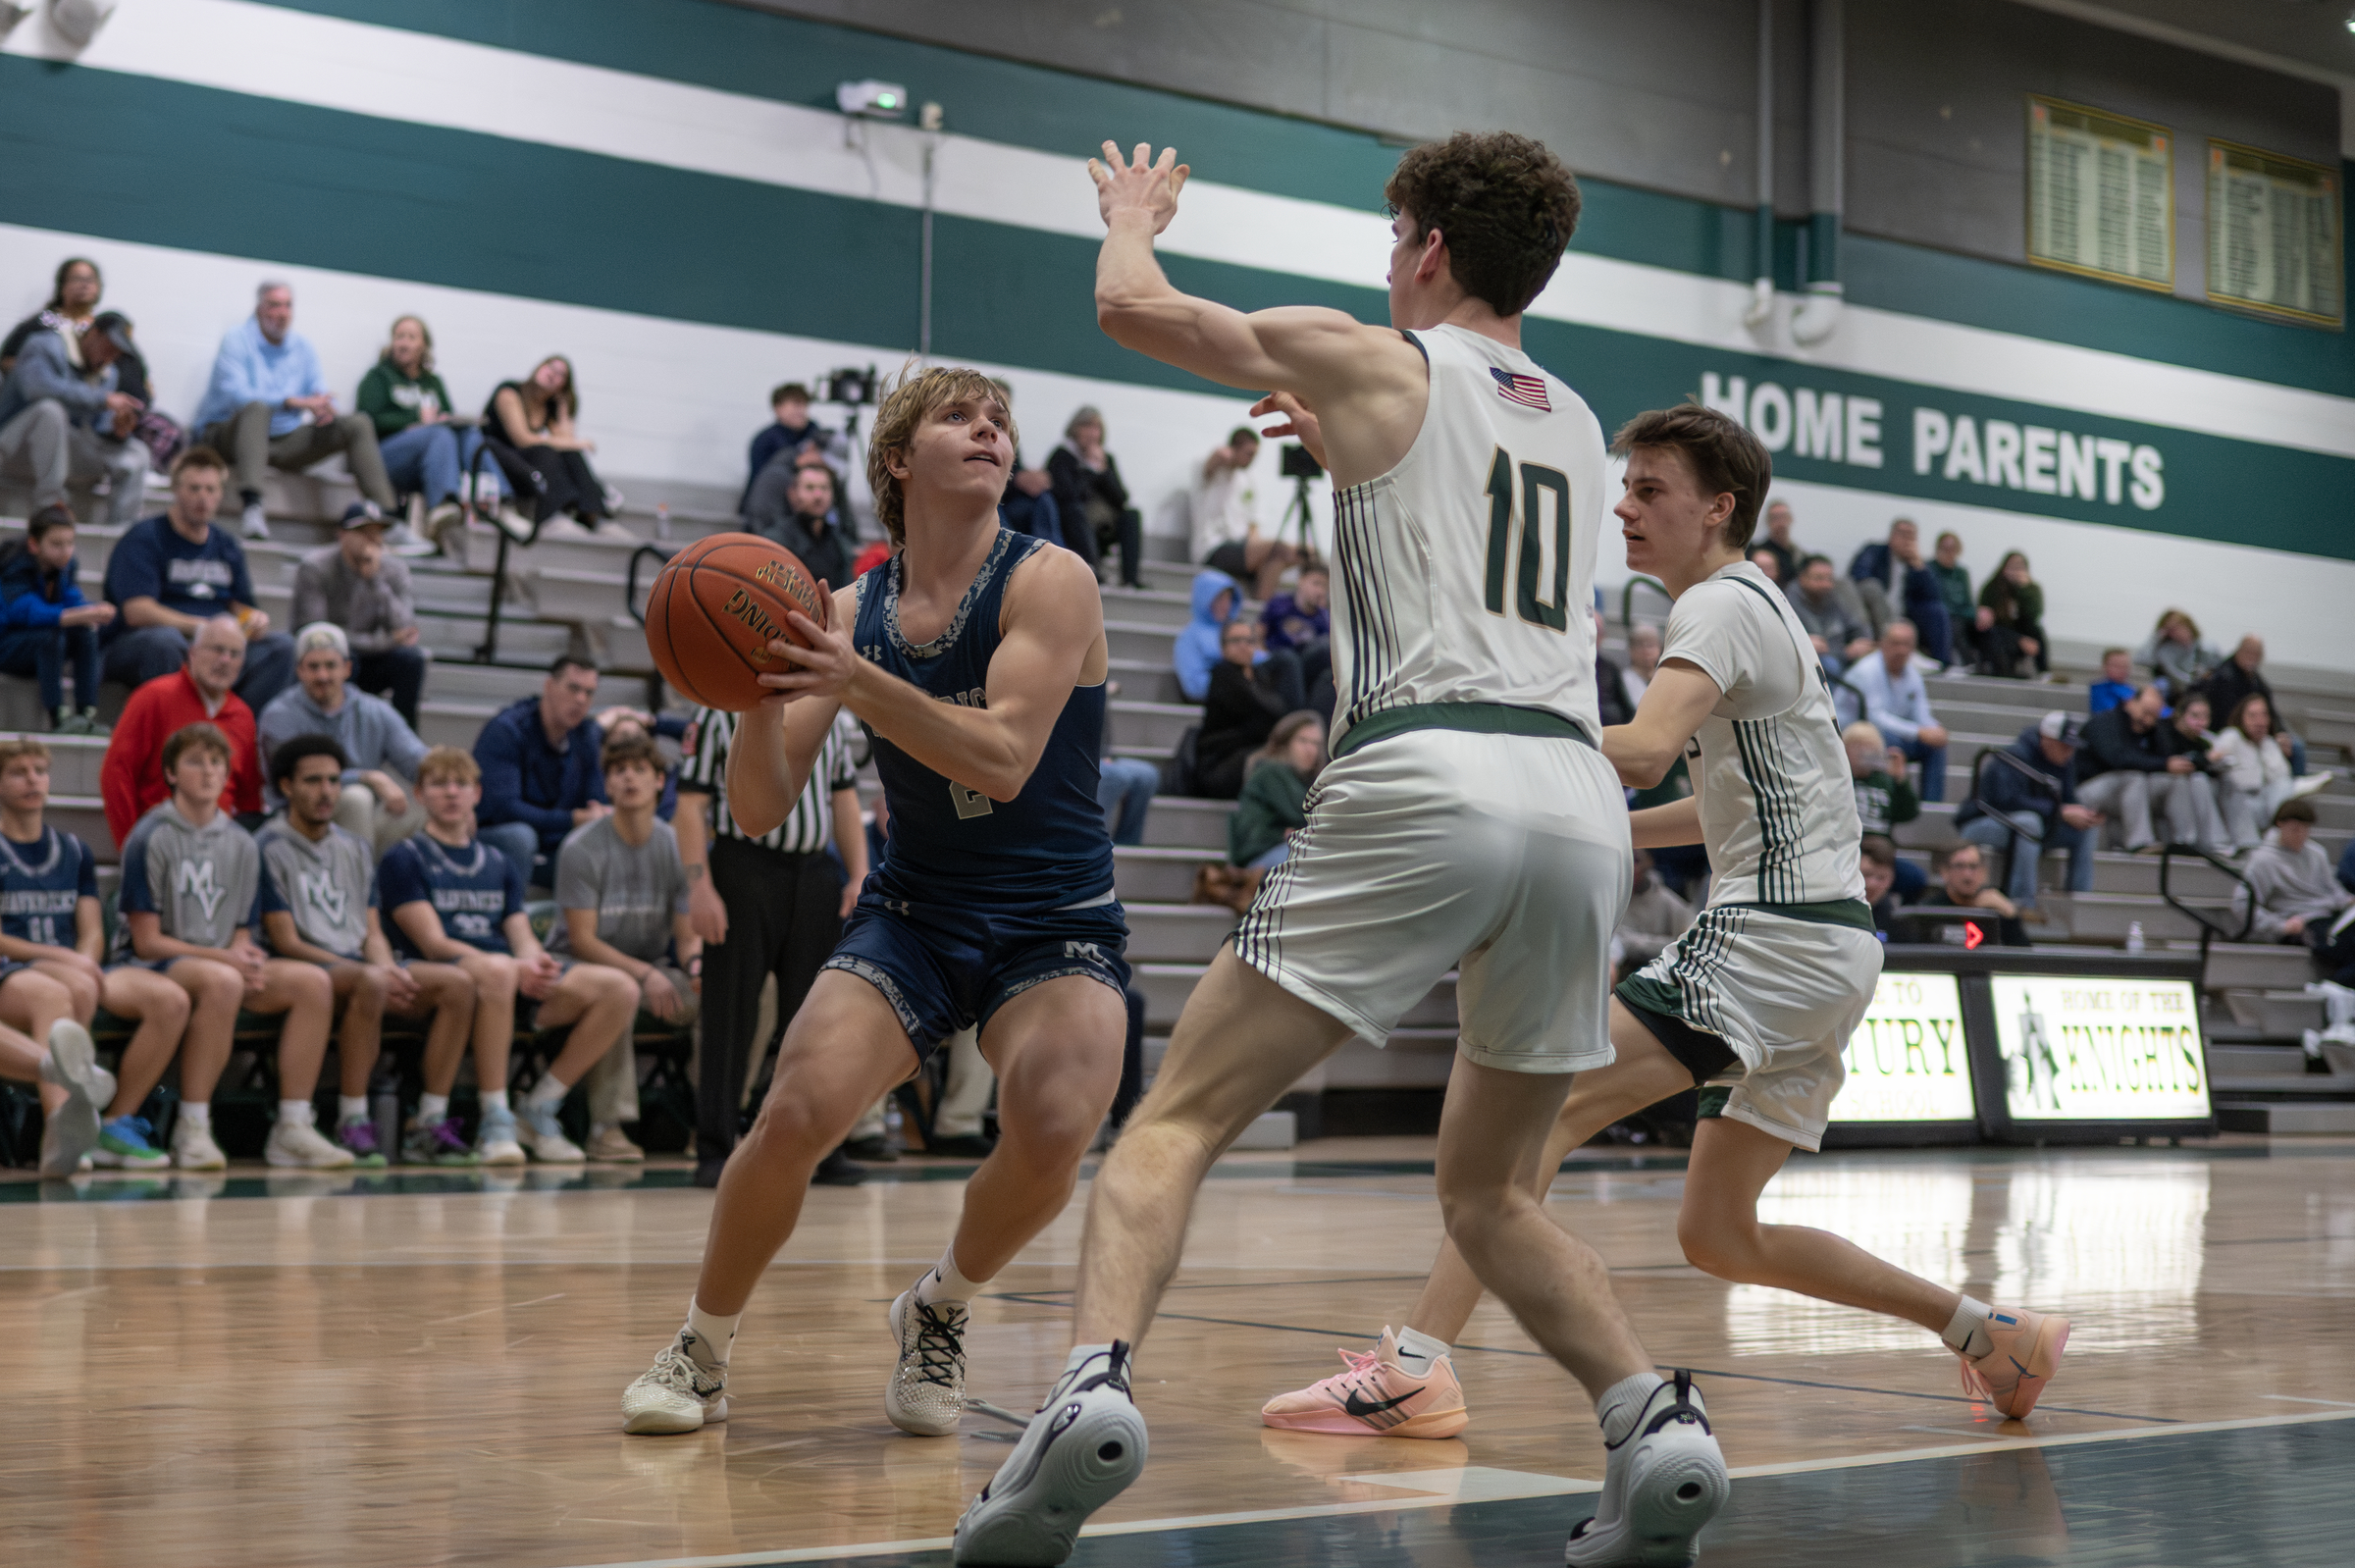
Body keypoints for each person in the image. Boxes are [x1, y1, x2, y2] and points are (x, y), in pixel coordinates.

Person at [959, 135, 1732, 1568]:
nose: (1388, 262)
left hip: (1425, 771)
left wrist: (1134, 221)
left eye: (1395, 238)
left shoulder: (1375, 353)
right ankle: (1649, 1418)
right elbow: (1455, 515)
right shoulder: (1577, 420)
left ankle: (1083, 1389)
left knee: (1174, 1123)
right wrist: (1347, 453)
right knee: (1493, 1191)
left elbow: (1136, 309)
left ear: (1430, 248)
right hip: (1575, 802)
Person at [1259, 396, 2067, 1488]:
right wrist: (1612, 821)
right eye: (1625, 487)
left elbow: (1639, 750)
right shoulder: (1755, 610)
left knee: (1520, 1129)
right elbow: (1711, 802)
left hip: (1772, 936)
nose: (1627, 508)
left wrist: (1499, 720)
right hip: (1829, 949)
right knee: (1721, 1234)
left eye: (1650, 490)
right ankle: (1991, 1330)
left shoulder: (1721, 607)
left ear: (1718, 507)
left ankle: (1413, 1370)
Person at [619, 363, 1131, 1474]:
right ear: (899, 459)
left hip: (1055, 917)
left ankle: (939, 1303)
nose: (990, 429)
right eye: (959, 416)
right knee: (796, 1105)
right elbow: (758, 805)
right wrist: (756, 695)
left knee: (1053, 1128)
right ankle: (702, 1347)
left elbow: (1000, 759)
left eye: (1000, 419)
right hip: (918, 907)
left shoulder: (1052, 579)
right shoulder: (842, 609)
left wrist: (851, 679)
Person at [114, 722, 347, 1169]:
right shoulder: (150, 835)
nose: (207, 772)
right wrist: (228, 959)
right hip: (153, 964)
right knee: (223, 980)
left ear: (227, 775)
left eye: (216, 763)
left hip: (218, 961)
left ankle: (293, 1127)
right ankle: (194, 1128)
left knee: (312, 982)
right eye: (194, 762)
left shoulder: (243, 842)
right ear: (170, 774)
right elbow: (146, 942)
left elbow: (242, 927)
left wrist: (249, 956)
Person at [379, 746, 612, 1165]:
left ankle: (539, 1106)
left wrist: (535, 961)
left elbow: (519, 932)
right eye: (439, 784)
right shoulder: (404, 857)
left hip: (502, 976)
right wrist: (511, 964)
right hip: (431, 975)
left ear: (477, 794)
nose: (451, 793)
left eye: (461, 784)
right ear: (419, 794)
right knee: (499, 971)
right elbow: (434, 942)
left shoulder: (499, 862)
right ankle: (494, 1117)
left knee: (616, 989)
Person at [256, 735, 477, 1167]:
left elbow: (371, 931)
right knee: (373, 981)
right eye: (313, 781)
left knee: (458, 984)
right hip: (300, 967)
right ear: (286, 787)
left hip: (359, 968)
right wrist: (367, 972)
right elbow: (285, 940)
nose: (326, 792)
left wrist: (388, 968)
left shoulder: (355, 847)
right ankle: (353, 1120)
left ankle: (429, 1124)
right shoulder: (267, 845)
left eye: (334, 782)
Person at [676, 704, 866, 1187]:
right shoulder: (720, 709)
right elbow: (691, 803)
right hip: (742, 869)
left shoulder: (834, 713)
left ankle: (822, 1147)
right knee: (730, 1013)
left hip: (814, 873)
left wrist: (859, 874)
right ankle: (715, 1147)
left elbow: (843, 797)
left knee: (817, 1017)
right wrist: (699, 886)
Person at [0, 738, 191, 1171]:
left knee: (170, 1000)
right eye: (18, 772)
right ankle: (61, 1127)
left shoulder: (73, 849)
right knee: (60, 992)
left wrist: (83, 958)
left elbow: (90, 931)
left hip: (74, 967)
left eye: (39, 770)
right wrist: (66, 960)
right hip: (18, 967)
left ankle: (112, 1121)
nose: (33, 779)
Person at [549, 731, 704, 1165]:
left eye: (639, 770)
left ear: (660, 781)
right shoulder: (582, 848)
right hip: (577, 973)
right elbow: (581, 940)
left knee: (723, 991)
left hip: (650, 973)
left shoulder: (674, 844)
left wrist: (694, 965)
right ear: (607, 784)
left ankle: (711, 1121)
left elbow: (686, 934)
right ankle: (608, 1128)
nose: (629, 779)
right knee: (619, 989)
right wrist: (645, 973)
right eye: (618, 771)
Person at [191, 281, 396, 542]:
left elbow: (317, 388)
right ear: (259, 309)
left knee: (357, 423)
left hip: (281, 443)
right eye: (274, 305)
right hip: (226, 436)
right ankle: (253, 506)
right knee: (256, 408)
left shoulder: (303, 347)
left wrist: (324, 408)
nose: (282, 313)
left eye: (287, 306)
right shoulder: (236, 339)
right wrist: (291, 401)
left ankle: (387, 515)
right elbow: (238, 396)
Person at [100, 445, 296, 711]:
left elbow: (237, 604)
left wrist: (252, 619)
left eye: (210, 489)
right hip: (148, 642)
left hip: (212, 645)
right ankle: (180, 734)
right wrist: (204, 629)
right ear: (176, 490)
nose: (202, 498)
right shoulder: (144, 538)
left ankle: (235, 728)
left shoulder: (226, 545)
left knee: (283, 647)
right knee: (165, 642)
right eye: (194, 489)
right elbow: (137, 611)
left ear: (220, 494)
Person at [256, 622, 429, 855]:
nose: (323, 675)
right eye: (313, 666)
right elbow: (295, 781)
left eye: (330, 665)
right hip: (298, 819)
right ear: (300, 671)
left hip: (367, 819)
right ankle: (358, 887)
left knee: (437, 803)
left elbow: (417, 760)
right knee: (356, 799)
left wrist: (451, 781)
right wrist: (367, 778)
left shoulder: (373, 710)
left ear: (347, 668)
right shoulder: (279, 715)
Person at [99, 615, 264, 847]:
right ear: (192, 652)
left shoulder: (243, 715)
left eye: (234, 654)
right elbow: (117, 774)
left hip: (219, 851)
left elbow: (249, 799)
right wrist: (132, 845)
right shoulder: (153, 697)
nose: (225, 660)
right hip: (161, 846)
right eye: (217, 649)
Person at [0, 311, 151, 526]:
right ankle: (50, 507)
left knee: (137, 454)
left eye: (115, 354)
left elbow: (94, 432)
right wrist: (102, 398)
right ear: (93, 333)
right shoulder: (44, 345)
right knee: (50, 411)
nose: (109, 358)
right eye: (108, 348)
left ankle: (123, 534)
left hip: (63, 455)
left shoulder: (108, 375)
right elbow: (36, 388)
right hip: (13, 448)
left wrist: (115, 433)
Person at [289, 499, 431, 727]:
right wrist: (384, 641)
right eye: (364, 532)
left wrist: (375, 581)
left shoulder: (393, 570)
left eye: (378, 533)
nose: (373, 540)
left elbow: (405, 628)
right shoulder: (315, 567)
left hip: (372, 659)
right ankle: (336, 730)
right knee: (344, 657)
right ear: (342, 535)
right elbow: (316, 635)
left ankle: (405, 736)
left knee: (411, 660)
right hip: (331, 659)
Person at [354, 315, 486, 555]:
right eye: (399, 336)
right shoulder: (378, 377)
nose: (403, 343)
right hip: (384, 457)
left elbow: (446, 416)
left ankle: (497, 501)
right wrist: (413, 422)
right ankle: (442, 503)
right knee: (437, 434)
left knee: (468, 434)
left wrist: (445, 421)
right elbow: (366, 420)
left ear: (424, 345)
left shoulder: (433, 382)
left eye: (411, 337)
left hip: (425, 460)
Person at [473, 655, 609, 886]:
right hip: (495, 838)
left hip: (555, 840)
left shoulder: (585, 735)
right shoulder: (507, 730)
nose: (580, 699)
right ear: (549, 686)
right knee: (521, 837)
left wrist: (597, 813)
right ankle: (512, 917)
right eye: (573, 688)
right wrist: (572, 819)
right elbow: (505, 809)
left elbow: (595, 800)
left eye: (589, 693)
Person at [1955, 712, 2100, 913]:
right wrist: (2059, 811)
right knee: (2029, 822)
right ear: (2047, 740)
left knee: (2086, 828)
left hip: (2035, 828)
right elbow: (2006, 800)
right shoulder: (2014, 756)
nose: (2069, 752)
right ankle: (2023, 902)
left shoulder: (2065, 763)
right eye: (2064, 745)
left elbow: (2067, 799)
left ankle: (2079, 902)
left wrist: (2084, 814)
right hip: (1982, 822)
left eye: (2072, 747)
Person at [0, 504, 115, 733]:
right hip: (9, 646)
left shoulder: (65, 566)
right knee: (50, 636)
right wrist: (78, 614)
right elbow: (26, 612)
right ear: (34, 544)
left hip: (44, 645)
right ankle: (58, 717)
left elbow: (72, 598)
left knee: (85, 633)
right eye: (56, 544)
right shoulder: (14, 565)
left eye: (70, 543)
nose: (65, 551)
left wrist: (91, 612)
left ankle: (86, 713)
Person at [2076, 684, 2223, 855]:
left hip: (2129, 791)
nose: (2148, 720)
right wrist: (2164, 764)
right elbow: (2117, 758)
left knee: (2175, 780)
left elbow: (2165, 756)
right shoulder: (2104, 722)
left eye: (2154, 716)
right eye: (2145, 712)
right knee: (2134, 777)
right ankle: (2140, 843)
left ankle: (2185, 841)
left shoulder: (2151, 729)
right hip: (2091, 788)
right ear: (2131, 703)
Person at [484, 355, 617, 537]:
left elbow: (566, 442)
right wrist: (576, 443)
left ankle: (593, 517)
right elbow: (522, 440)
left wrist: (563, 406)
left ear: (563, 386)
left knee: (570, 455)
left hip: (528, 465)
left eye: (561, 375)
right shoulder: (509, 392)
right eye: (550, 367)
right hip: (497, 459)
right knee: (546, 452)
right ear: (540, 367)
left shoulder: (548, 406)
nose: (553, 374)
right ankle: (553, 515)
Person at [2234, 798, 2355, 987]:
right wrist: (2281, 926)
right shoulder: (2263, 860)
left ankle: (2336, 987)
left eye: (2305, 829)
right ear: (2280, 825)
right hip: (2302, 923)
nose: (2301, 835)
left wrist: (2348, 901)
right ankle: (2332, 987)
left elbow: (2332, 889)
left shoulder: (2316, 853)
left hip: (2331, 917)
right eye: (2295, 829)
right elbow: (2242, 903)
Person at [1196, 618, 1304, 799]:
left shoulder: (1258, 678)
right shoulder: (1223, 675)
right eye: (1236, 640)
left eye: (1249, 641)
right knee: (1277, 763)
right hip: (1222, 764)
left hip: (1251, 756)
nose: (1244, 646)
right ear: (1224, 648)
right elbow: (1263, 716)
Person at [1843, 617, 1948, 801]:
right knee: (1889, 740)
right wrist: (1919, 732)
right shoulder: (1866, 671)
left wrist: (1935, 729)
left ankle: (1932, 806)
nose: (1901, 650)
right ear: (1882, 644)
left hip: (1891, 734)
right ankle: (1890, 804)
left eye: (1906, 644)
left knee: (1934, 745)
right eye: (1895, 643)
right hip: (1853, 736)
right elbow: (1874, 718)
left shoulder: (1913, 675)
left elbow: (1921, 713)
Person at [1189, 426, 1298, 601]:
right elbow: (1216, 457)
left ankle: (1262, 609)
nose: (1252, 459)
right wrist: (1227, 456)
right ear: (1233, 449)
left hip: (1240, 547)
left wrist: (1259, 552)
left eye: (1255, 454)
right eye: (1249, 454)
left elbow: (1253, 526)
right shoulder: (1210, 471)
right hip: (1213, 548)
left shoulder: (1249, 479)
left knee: (1289, 554)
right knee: (1279, 548)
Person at [2209, 693, 2325, 851]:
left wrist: (2267, 752)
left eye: (2264, 716)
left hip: (2266, 801)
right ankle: (2274, 834)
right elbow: (2217, 761)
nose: (2259, 722)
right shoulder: (2232, 736)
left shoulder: (2269, 743)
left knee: (2283, 784)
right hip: (2239, 800)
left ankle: (2281, 827)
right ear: (2241, 717)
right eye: (2253, 716)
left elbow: (2281, 775)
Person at [1047, 405, 1142, 588]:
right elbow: (1068, 495)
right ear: (1075, 429)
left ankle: (1131, 578)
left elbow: (1121, 498)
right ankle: (1092, 572)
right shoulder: (1062, 456)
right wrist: (1089, 470)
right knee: (1076, 512)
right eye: (1087, 426)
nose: (1092, 433)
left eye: (1096, 428)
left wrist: (1103, 470)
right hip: (1074, 521)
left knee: (1131, 515)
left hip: (1103, 524)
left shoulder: (1106, 459)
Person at [1225, 709, 1323, 872]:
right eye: (1303, 741)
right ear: (1286, 742)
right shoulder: (1271, 772)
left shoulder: (1306, 780)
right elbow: (1305, 813)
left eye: (1316, 744)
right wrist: (1283, 835)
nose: (1310, 750)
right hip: (1260, 859)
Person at [2204, 637, 2311, 779]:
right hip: (2234, 734)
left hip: (2257, 734)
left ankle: (2294, 791)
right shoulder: (2224, 678)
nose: (2252, 658)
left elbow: (2272, 713)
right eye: (2249, 652)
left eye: (2256, 654)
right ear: (2239, 651)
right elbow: (2229, 719)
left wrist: (2280, 733)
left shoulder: (2256, 680)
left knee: (2294, 745)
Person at [1848, 518, 1951, 662]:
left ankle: (1942, 664)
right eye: (1903, 535)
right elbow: (1858, 575)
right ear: (1891, 536)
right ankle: (1890, 641)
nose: (1907, 540)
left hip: (1906, 614)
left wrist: (1920, 568)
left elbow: (1933, 596)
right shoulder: (1875, 552)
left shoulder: (1916, 564)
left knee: (1937, 610)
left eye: (1911, 537)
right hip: (1876, 611)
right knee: (1872, 587)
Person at [743, 459, 853, 594]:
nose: (818, 495)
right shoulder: (776, 541)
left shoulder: (839, 544)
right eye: (810, 488)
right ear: (793, 494)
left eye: (824, 488)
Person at [1845, 720, 1925, 901]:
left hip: (1883, 853)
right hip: (1846, 850)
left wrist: (1900, 780)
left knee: (1915, 878)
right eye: (1857, 748)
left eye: (1869, 749)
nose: (1863, 754)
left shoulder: (1885, 781)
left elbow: (1908, 813)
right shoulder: (1838, 781)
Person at [742, 383, 841, 510]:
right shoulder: (765, 440)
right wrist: (798, 462)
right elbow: (764, 480)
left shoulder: (813, 432)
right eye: (795, 404)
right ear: (778, 408)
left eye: (804, 405)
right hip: (769, 506)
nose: (801, 410)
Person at [1910, 841, 2030, 948]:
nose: (1967, 874)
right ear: (1944, 872)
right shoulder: (1928, 911)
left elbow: (2024, 961)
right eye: (1960, 866)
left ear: (1984, 873)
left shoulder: (1997, 909)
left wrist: (2011, 916)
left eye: (1973, 867)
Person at [1, 257, 104, 373]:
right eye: (77, 279)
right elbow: (6, 360)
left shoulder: (101, 330)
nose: (85, 285)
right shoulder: (42, 322)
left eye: (90, 279)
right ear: (62, 285)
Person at [1785, 553, 1874, 674]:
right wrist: (1844, 653)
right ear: (1802, 578)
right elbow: (1819, 646)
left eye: (1829, 579)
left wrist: (1860, 641)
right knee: (1829, 665)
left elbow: (1855, 626)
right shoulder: (1789, 603)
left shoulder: (1833, 598)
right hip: (1810, 666)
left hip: (1842, 656)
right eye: (1819, 578)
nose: (1826, 584)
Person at [1612, 847, 1696, 973]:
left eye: (1636, 860)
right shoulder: (1611, 899)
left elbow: (1690, 943)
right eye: (1623, 861)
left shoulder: (1668, 901)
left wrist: (1632, 944)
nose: (1630, 868)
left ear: (1649, 862)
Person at [1172, 568, 1241, 704]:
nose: (1225, 605)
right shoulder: (1188, 638)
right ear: (1204, 599)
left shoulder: (1238, 631)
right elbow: (1193, 686)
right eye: (1219, 598)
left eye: (1228, 598)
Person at [1974, 550, 2046, 679]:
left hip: (2020, 632)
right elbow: (1988, 622)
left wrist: (2023, 590)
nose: (2015, 571)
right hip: (1998, 634)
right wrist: (2018, 639)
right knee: (1994, 633)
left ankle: (2045, 672)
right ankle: (2004, 672)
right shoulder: (1992, 588)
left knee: (2037, 630)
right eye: (2012, 567)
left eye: (2020, 567)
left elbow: (2033, 615)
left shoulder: (2031, 589)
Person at [2137, 609, 2221, 701]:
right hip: (2178, 691)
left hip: (2206, 688)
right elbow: (2141, 660)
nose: (2177, 632)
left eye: (2179, 626)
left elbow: (2219, 669)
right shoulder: (2166, 651)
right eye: (2171, 629)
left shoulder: (2207, 646)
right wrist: (2156, 637)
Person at [1926, 531, 1976, 669]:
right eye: (1944, 549)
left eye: (1952, 549)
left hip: (1961, 615)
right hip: (1941, 614)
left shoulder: (1962, 573)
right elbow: (1939, 600)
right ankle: (1965, 663)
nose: (1948, 553)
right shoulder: (1930, 569)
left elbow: (1968, 603)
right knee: (1953, 623)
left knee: (1986, 627)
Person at [1593, 609, 1632, 727]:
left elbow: (1626, 708)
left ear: (1603, 636)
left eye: (1597, 632)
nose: (1592, 636)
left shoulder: (1610, 667)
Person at [1858, 837, 1904, 939]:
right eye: (1866, 875)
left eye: (1881, 878)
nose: (1871, 885)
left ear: (1891, 879)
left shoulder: (1898, 921)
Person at [1756, 497, 1802, 585]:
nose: (1781, 523)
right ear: (1768, 521)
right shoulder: (1757, 553)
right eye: (1775, 518)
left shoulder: (1798, 554)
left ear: (1790, 519)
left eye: (1784, 517)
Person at [1619, 621, 1661, 709]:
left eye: (1651, 645)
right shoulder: (1624, 679)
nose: (1646, 651)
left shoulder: (1664, 677)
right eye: (1640, 645)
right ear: (1630, 650)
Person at [2088, 649, 2135, 714]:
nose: (2122, 669)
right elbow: (2108, 712)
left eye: (2125, 666)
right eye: (2116, 666)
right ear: (2104, 666)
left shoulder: (2132, 689)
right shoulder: (2098, 688)